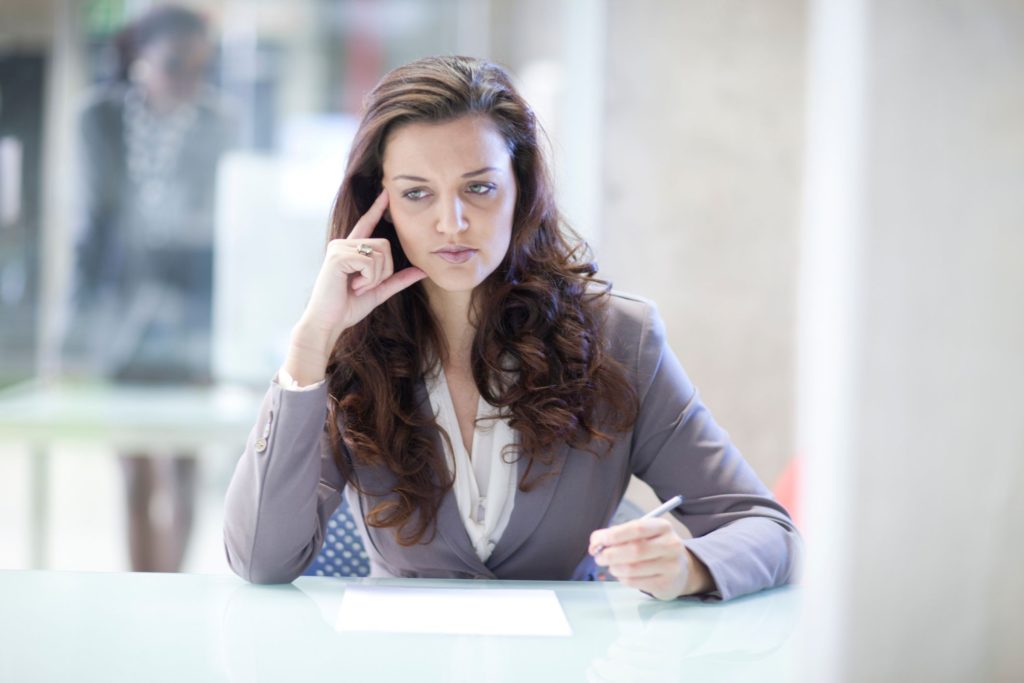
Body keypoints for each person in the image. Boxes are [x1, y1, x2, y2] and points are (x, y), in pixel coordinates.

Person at [223, 55, 799, 601]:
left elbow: (767, 527)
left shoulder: (622, 340)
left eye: (479, 187)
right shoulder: (348, 348)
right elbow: (259, 560)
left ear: (521, 188)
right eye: (417, 193)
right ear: (383, 206)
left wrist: (691, 568)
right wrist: (309, 346)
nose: (452, 223)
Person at [65, 5, 231, 572]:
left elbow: (223, 240)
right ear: (139, 57)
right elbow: (88, 233)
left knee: (185, 469)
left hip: (191, 324)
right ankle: (143, 589)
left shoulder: (219, 121)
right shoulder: (99, 118)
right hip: (121, 321)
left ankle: (173, 592)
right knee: (134, 473)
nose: (189, 80)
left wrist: (221, 340)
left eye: (201, 66)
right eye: (176, 64)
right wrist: (73, 339)